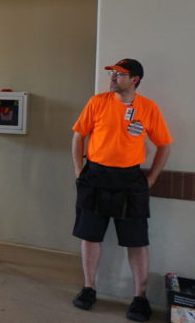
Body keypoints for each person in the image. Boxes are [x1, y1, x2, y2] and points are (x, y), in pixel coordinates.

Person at [71, 59, 172, 322]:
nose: (113, 78)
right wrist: (78, 170)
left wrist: (151, 178)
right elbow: (78, 135)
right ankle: (89, 288)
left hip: (130, 180)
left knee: (136, 240)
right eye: (112, 73)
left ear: (135, 79)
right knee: (90, 236)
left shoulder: (148, 108)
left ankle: (140, 297)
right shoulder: (98, 102)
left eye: (120, 74)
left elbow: (164, 145)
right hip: (94, 176)